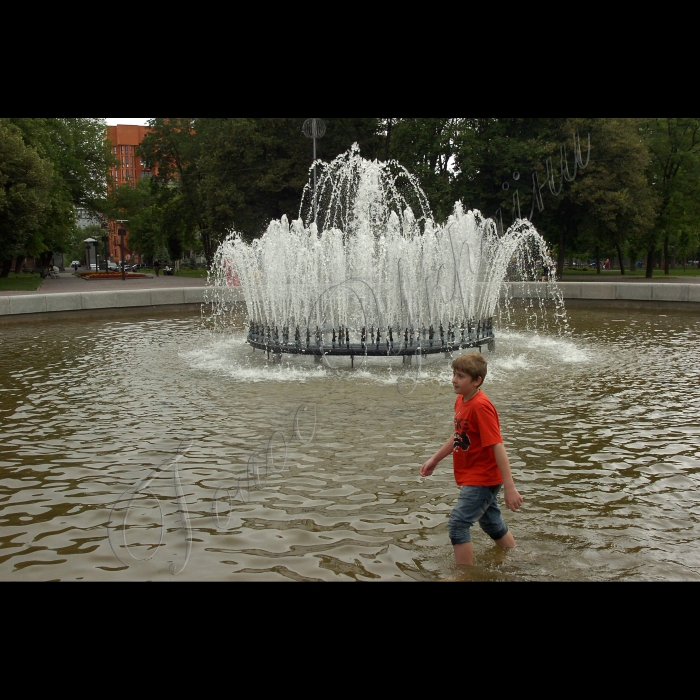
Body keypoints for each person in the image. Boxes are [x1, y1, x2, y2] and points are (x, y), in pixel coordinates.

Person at [420, 353, 523, 566]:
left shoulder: (481, 406)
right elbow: (459, 435)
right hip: (476, 475)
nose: (453, 380)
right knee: (491, 523)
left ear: (477, 381)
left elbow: (497, 445)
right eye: (454, 374)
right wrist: (435, 459)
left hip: (484, 477)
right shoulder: (462, 400)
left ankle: (464, 575)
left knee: (458, 523)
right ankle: (518, 556)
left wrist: (510, 487)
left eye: (460, 376)